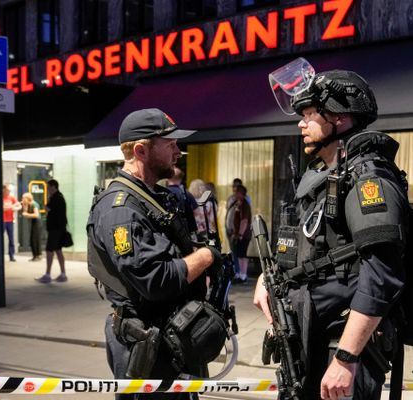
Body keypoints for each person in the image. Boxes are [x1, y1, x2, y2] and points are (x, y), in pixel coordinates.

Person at [254, 65, 408, 399]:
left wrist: (346, 358)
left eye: (309, 114)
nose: (300, 123)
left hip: (343, 347)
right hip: (311, 338)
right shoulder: (327, 178)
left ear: (338, 118)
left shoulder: (369, 179)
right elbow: (306, 245)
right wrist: (268, 279)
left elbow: (382, 273)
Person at [87, 108, 224, 399]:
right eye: (170, 143)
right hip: (149, 349)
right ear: (141, 150)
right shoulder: (121, 209)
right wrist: (207, 257)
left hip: (173, 339)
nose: (178, 150)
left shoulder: (151, 196)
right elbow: (156, 280)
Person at [35, 179, 68, 283]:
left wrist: (48, 203)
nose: (47, 190)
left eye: (48, 187)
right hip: (59, 229)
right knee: (58, 251)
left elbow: (47, 208)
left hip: (55, 229)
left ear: (53, 187)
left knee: (49, 251)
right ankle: (63, 274)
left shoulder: (55, 198)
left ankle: (47, 275)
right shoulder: (60, 197)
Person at [228, 185, 251, 284]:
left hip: (243, 235)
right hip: (237, 234)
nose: (235, 194)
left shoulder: (244, 204)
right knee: (238, 255)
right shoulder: (237, 203)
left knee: (242, 255)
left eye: (237, 192)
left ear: (241, 193)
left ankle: (243, 275)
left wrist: (240, 234)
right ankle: (240, 274)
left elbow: (244, 221)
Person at [167, 166, 198, 234]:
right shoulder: (187, 194)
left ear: (168, 177)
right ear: (181, 178)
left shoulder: (163, 193)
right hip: (185, 232)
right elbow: (196, 212)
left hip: (169, 231)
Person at [20, 192, 42, 261]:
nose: (23, 199)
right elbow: (25, 212)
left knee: (36, 239)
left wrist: (27, 215)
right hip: (33, 222)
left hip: (37, 222)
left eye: (24, 198)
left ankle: (38, 256)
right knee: (32, 239)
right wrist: (24, 206)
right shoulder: (29, 204)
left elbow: (36, 215)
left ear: (28, 198)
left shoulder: (34, 204)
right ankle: (34, 255)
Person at [2, 184, 21, 262]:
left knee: (11, 239)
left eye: (9, 190)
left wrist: (14, 208)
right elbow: (3, 208)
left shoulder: (12, 197)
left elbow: (19, 206)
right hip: (2, 221)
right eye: (7, 190)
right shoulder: (1, 198)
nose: (8, 191)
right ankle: (0, 254)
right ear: (3, 190)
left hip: (10, 220)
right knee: (0, 238)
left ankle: (11, 255)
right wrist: (13, 206)